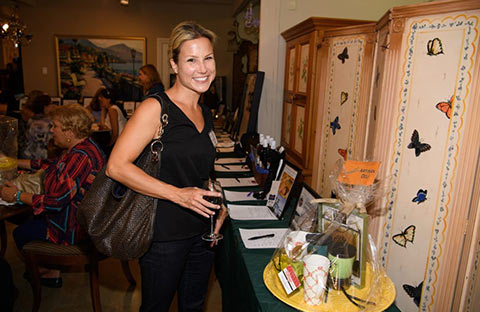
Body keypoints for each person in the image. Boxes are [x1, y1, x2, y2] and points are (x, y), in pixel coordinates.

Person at [106, 21, 227, 312]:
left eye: (208, 58)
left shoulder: (204, 112)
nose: (202, 68)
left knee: (194, 305)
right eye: (191, 60)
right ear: (174, 64)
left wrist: (218, 200)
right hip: (163, 236)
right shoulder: (156, 108)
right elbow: (116, 167)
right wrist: (178, 195)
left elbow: (199, 171)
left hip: (202, 232)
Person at [0, 103, 105, 288]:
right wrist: (14, 162)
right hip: (80, 217)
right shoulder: (83, 147)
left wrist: (16, 195)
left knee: (20, 232)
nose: (52, 130)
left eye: (55, 126)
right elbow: (49, 164)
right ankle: (50, 269)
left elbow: (55, 201)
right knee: (27, 218)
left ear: (69, 132)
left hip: (74, 226)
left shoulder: (80, 158)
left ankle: (49, 272)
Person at [22, 94, 53, 159]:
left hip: (27, 154)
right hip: (40, 157)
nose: (52, 106)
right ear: (45, 107)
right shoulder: (47, 123)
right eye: (50, 104)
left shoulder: (30, 120)